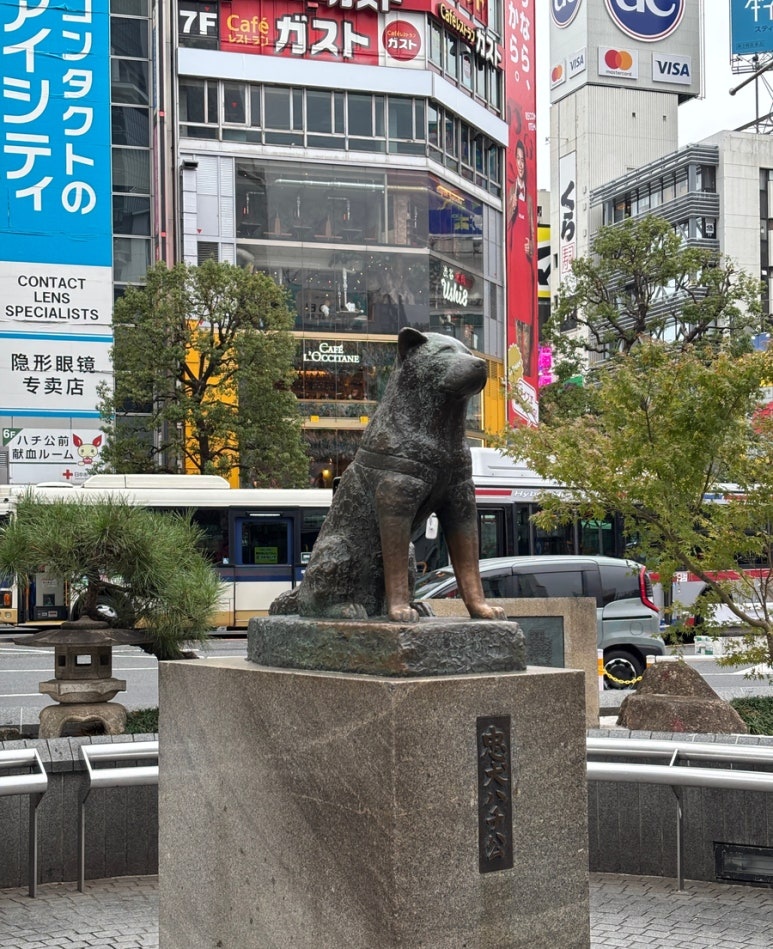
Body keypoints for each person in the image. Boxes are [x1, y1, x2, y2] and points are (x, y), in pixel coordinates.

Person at [507, 139, 536, 378]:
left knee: (527, 317)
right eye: (516, 159)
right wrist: (512, 208)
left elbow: (535, 235)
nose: (520, 163)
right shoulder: (512, 191)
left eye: (522, 158)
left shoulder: (531, 196)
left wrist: (532, 247)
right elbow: (505, 223)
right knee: (516, 315)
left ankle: (526, 367)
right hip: (513, 259)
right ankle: (518, 365)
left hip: (525, 263)